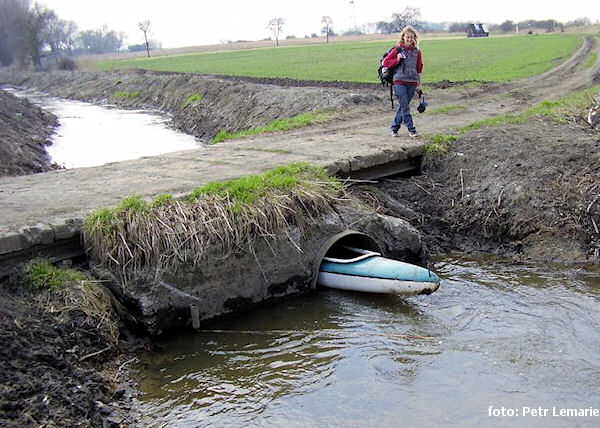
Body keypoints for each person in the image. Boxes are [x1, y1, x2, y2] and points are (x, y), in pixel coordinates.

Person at [382, 26, 423, 138]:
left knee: (403, 106)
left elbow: (419, 68)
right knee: (405, 107)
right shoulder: (397, 50)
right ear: (403, 37)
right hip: (399, 81)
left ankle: (394, 128)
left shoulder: (417, 52)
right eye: (407, 37)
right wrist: (397, 60)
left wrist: (420, 84)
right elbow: (385, 63)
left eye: (412, 37)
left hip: (412, 82)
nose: (409, 39)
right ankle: (412, 130)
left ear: (415, 38)